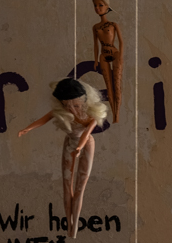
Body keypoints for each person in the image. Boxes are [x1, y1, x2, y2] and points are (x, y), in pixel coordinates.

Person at [19, 77, 109, 234]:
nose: (72, 109)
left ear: (84, 100)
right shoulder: (62, 113)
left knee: (80, 187)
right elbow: (43, 120)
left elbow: (86, 134)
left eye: (76, 105)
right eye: (67, 105)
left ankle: (75, 227)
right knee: (67, 185)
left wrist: (80, 147)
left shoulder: (90, 116)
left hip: (86, 145)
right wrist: (27, 129)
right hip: (69, 144)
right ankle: (69, 224)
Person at [91, 0, 124, 113]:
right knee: (109, 86)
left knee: (117, 84)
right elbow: (95, 45)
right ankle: (113, 111)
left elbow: (121, 42)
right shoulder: (95, 27)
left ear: (107, 7)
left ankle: (117, 114)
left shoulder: (113, 24)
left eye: (100, 5)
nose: (97, 8)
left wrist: (121, 56)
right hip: (103, 55)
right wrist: (95, 60)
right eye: (95, 5)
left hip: (115, 53)